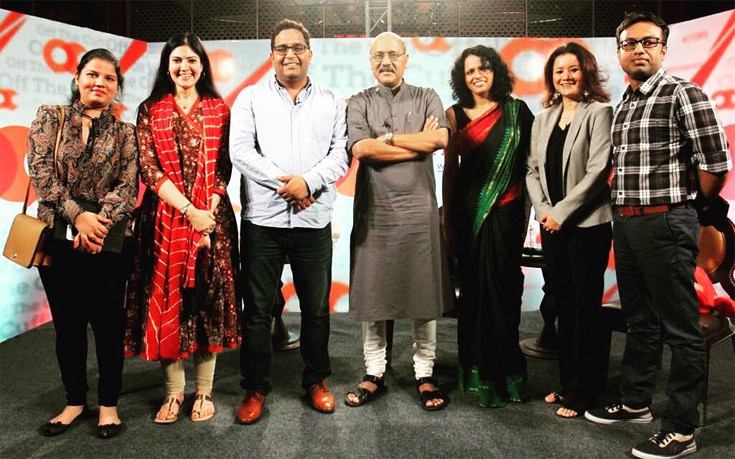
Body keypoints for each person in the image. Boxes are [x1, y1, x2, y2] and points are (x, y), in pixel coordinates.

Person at [584, 11, 731, 459]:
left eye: (649, 42)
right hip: (627, 223)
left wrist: (688, 207)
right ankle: (636, 402)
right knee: (640, 320)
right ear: (619, 52)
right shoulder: (625, 104)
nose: (639, 49)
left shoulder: (683, 93)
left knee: (680, 329)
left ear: (663, 50)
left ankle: (682, 429)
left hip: (666, 221)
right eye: (630, 43)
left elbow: (715, 163)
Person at [230, 19, 349, 424]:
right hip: (263, 220)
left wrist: (308, 183)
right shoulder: (250, 98)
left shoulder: (332, 101)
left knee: (316, 309)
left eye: (297, 47)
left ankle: (316, 380)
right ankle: (255, 388)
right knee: (257, 311)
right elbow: (241, 151)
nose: (290, 54)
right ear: (272, 56)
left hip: (312, 221)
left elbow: (340, 155)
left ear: (310, 54)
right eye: (282, 48)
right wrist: (289, 185)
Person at [123, 33, 241, 424]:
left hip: (212, 220)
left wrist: (207, 211)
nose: (184, 67)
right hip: (165, 221)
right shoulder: (150, 109)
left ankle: (204, 391)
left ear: (203, 66)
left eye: (191, 60)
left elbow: (223, 167)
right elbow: (149, 169)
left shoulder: (219, 109)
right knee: (168, 302)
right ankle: (173, 393)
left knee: (207, 302)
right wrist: (190, 210)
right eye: (177, 60)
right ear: (167, 66)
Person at [27, 48, 138, 439]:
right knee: (68, 326)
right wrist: (79, 217)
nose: (100, 83)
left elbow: (128, 185)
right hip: (58, 238)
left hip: (109, 241)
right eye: (92, 74)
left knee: (108, 326)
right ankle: (74, 401)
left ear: (117, 87)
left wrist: (97, 225)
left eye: (109, 78)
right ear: (77, 77)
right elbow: (41, 173)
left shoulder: (125, 132)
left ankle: (108, 405)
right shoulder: (49, 116)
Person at [345, 31, 454, 411]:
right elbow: (362, 149)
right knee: (374, 293)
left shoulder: (427, 96)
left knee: (423, 294)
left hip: (418, 213)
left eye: (393, 54)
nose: (386, 62)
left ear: (406, 59)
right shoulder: (359, 102)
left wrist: (387, 141)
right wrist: (412, 142)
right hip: (375, 212)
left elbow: (439, 140)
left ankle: (425, 373)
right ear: (370, 62)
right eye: (378, 56)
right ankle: (374, 371)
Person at [525, 42, 613, 418]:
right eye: (559, 71)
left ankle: (585, 392)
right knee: (563, 306)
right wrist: (545, 211)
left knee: (584, 308)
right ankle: (567, 386)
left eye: (573, 69)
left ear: (586, 72)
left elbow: (598, 171)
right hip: (553, 227)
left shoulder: (600, 112)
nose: (566, 76)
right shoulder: (543, 118)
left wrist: (562, 212)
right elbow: (531, 170)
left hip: (588, 225)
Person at [442, 45, 534, 408]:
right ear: (461, 79)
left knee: (504, 292)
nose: (477, 75)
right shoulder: (454, 115)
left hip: (507, 212)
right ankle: (477, 373)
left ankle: (508, 372)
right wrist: (448, 221)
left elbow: (530, 164)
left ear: (495, 71)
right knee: (475, 295)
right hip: (469, 216)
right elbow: (450, 172)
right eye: (470, 71)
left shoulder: (517, 111)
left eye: (483, 68)